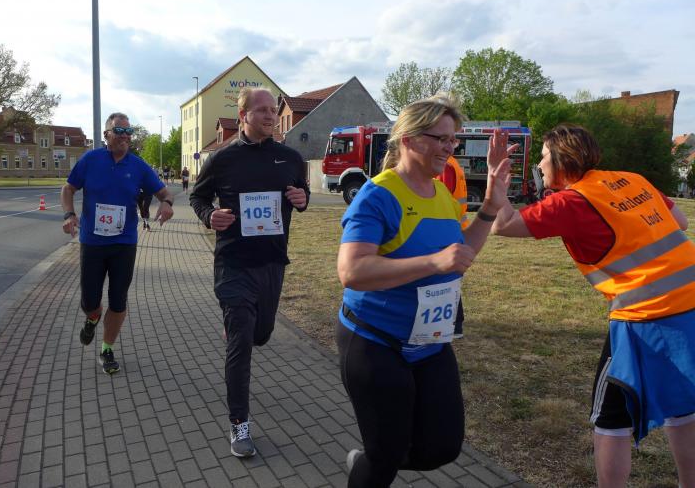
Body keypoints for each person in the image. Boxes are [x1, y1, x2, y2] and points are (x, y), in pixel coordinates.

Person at [491, 124, 695, 488]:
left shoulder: (571, 202)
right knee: (684, 407)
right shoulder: (632, 179)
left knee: (611, 417)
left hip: (646, 318)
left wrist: (496, 179)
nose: (539, 164)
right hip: (690, 306)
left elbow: (502, 224)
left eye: (543, 156)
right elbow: (678, 221)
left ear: (561, 160)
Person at [336, 95, 514, 487]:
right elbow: (352, 271)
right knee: (385, 455)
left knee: (442, 447)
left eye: (453, 140)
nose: (450, 148)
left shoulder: (441, 194)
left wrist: (489, 207)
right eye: (441, 139)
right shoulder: (378, 195)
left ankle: (373, 457)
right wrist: (433, 263)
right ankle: (374, 460)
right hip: (375, 340)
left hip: (430, 341)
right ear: (409, 139)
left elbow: (460, 254)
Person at [190, 87, 309, 458]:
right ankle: (239, 424)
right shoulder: (222, 159)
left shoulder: (291, 158)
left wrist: (302, 199)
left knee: (261, 334)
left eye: (273, 110)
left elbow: (301, 194)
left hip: (271, 263)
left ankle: (238, 326)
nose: (270, 116)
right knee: (241, 345)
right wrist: (210, 215)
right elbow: (197, 197)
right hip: (233, 263)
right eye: (262, 110)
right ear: (243, 116)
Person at [61, 112, 174, 374]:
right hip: (92, 242)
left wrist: (167, 203)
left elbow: (164, 192)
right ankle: (92, 318)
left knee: (118, 300)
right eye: (119, 131)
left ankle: (107, 349)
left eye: (128, 131)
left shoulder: (139, 166)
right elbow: (68, 189)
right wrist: (69, 214)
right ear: (106, 135)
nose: (125, 136)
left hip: (124, 243)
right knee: (90, 302)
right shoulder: (90, 160)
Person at [438, 155, 469, 339]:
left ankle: (455, 324)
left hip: (448, 227)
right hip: (453, 226)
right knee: (449, 277)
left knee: (447, 278)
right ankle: (454, 323)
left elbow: (442, 198)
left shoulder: (445, 165)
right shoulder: (451, 163)